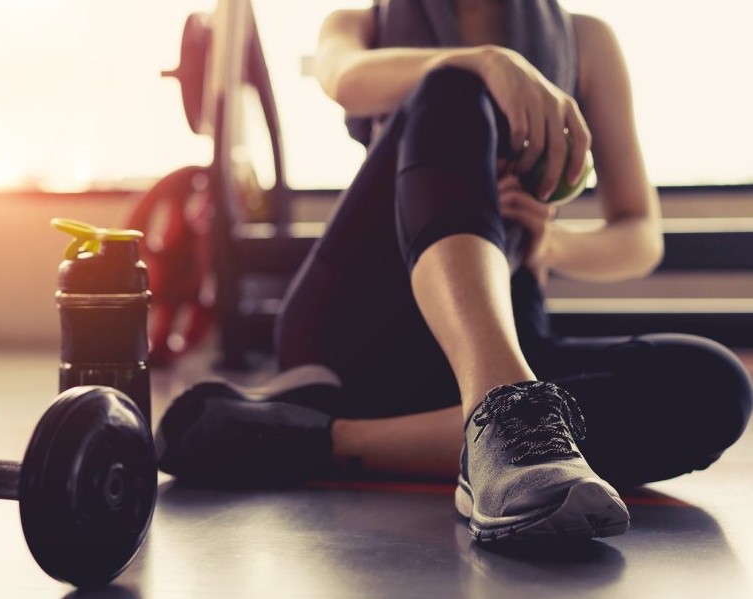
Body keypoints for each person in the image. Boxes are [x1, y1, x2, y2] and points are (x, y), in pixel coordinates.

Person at [155, 0, 753, 542]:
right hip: (359, 328)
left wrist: (551, 246)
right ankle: (505, 409)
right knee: (452, 86)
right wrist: (487, 63)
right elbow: (344, 79)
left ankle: (323, 438)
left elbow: (639, 237)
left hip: (506, 326)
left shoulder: (587, 41)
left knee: (715, 386)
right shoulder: (359, 25)